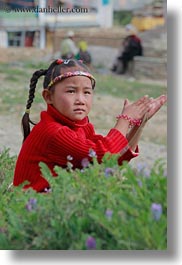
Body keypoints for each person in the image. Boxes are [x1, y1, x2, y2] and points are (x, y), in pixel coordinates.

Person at [13, 59, 167, 192]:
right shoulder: (53, 132)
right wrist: (125, 119)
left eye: (87, 92)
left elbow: (114, 160)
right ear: (48, 97)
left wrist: (140, 123)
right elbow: (104, 154)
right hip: (33, 212)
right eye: (71, 91)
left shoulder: (80, 126)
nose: (80, 99)